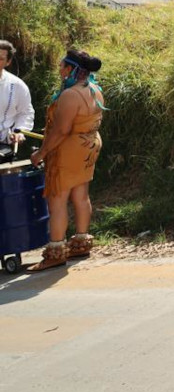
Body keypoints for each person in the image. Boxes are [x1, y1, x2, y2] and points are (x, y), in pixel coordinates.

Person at [28, 50, 105, 271]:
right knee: (81, 194)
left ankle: (56, 251)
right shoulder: (95, 89)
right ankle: (81, 242)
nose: (59, 70)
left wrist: (41, 153)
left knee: (57, 198)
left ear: (71, 69)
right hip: (89, 144)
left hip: (70, 148)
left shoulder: (70, 95)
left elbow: (61, 131)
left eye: (62, 66)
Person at [0, 40, 35, 158]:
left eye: (0, 59)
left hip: (2, 144)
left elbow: (26, 112)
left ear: (8, 62)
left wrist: (19, 131)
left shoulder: (17, 86)